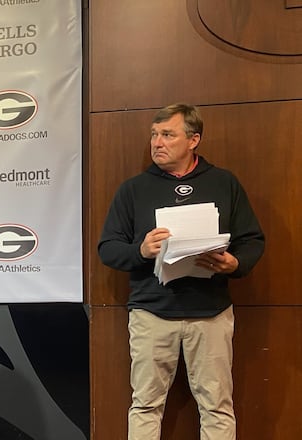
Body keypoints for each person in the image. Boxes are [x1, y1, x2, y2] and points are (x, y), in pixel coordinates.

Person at [97, 103, 265, 440]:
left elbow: (252, 240)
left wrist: (235, 263)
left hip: (211, 313)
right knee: (145, 405)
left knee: (218, 406)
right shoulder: (133, 189)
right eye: (154, 135)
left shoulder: (223, 182)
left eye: (167, 135)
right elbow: (108, 248)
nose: (157, 142)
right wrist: (141, 251)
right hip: (152, 313)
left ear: (193, 140)